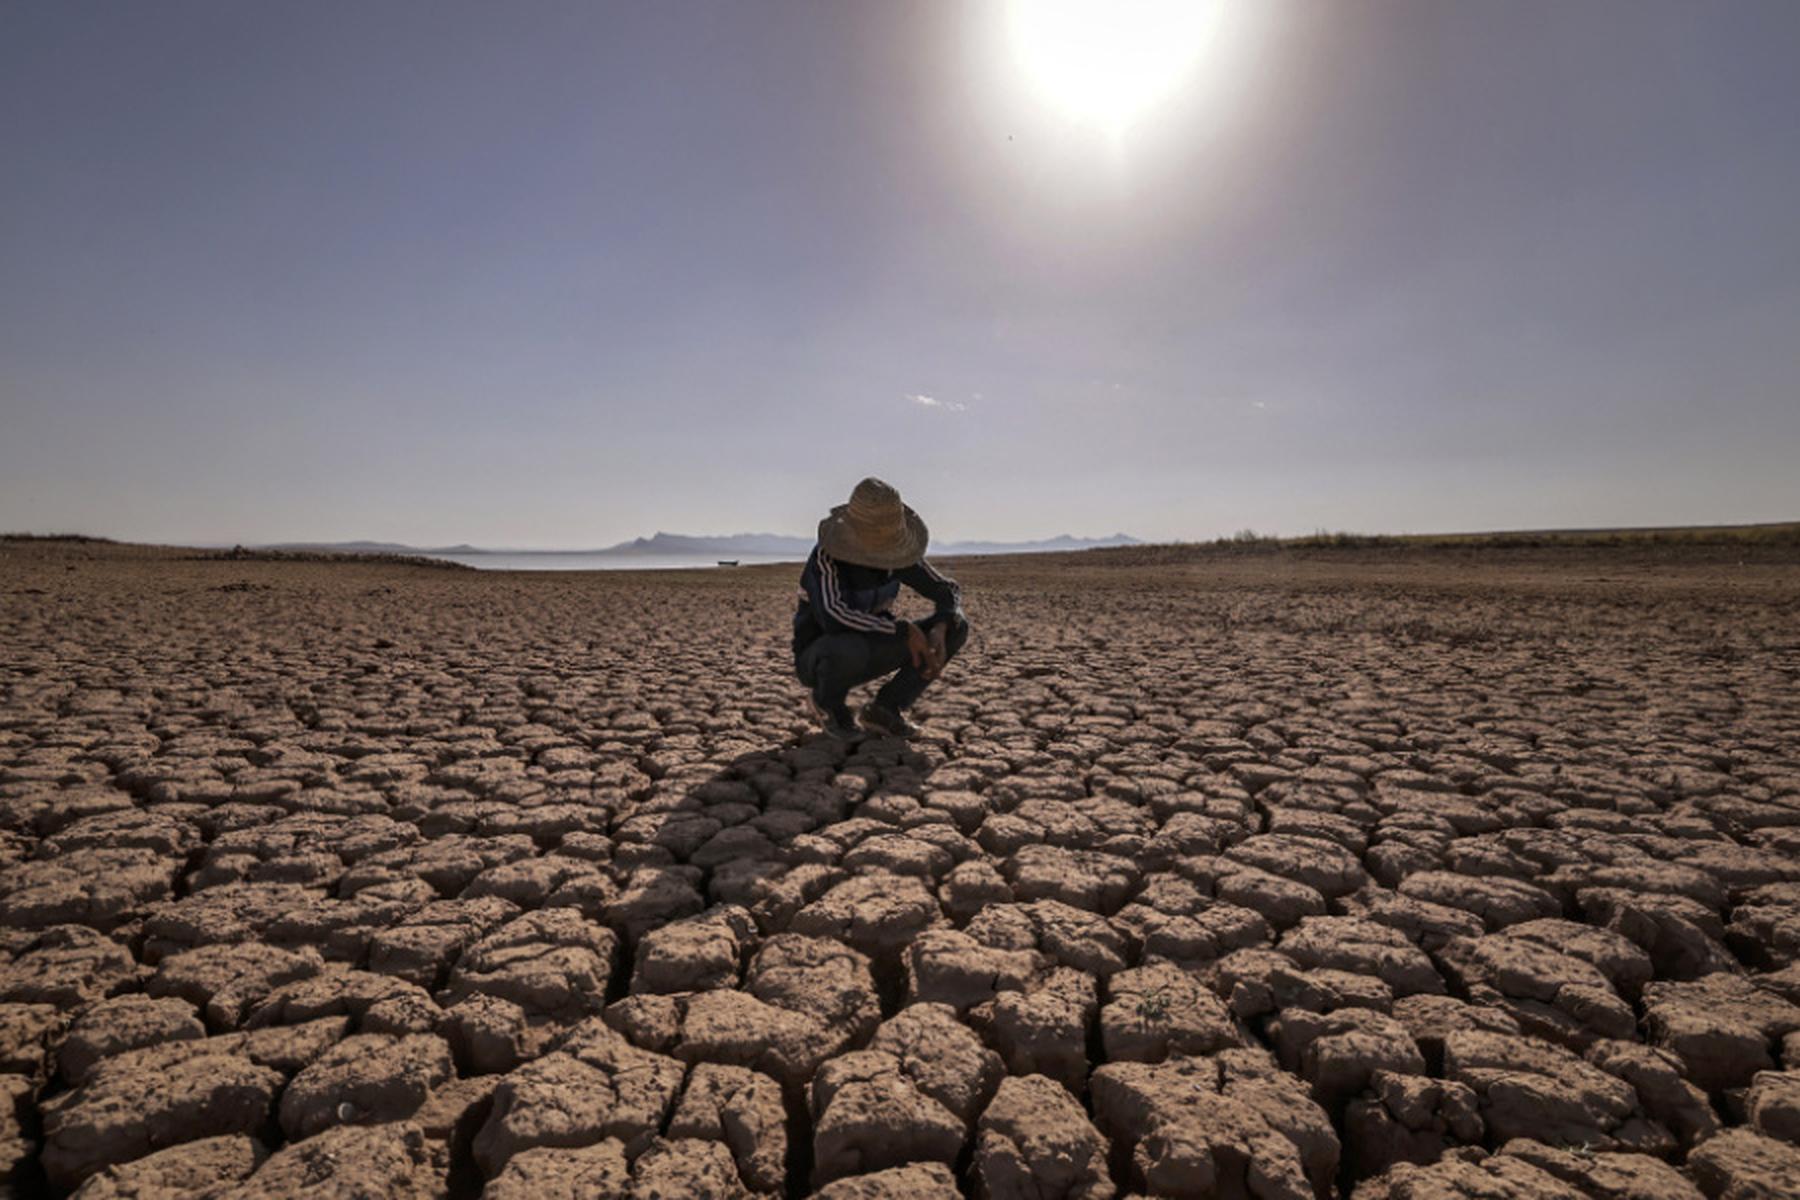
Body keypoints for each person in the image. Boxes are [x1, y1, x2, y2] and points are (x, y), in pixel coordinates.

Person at [793, 478, 969, 738]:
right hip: (821, 657)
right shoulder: (827, 557)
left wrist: (941, 626)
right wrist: (903, 630)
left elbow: (946, 590)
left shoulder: (898, 556)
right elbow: (833, 616)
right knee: (846, 647)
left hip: (873, 646)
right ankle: (827, 703)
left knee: (957, 626)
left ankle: (885, 709)